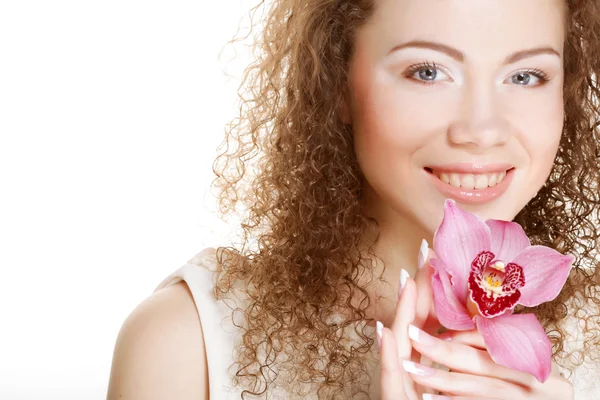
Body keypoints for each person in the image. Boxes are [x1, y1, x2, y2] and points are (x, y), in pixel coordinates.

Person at [106, 0, 600, 398]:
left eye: (526, 76)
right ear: (337, 82)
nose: (481, 131)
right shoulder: (191, 347)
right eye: (428, 71)